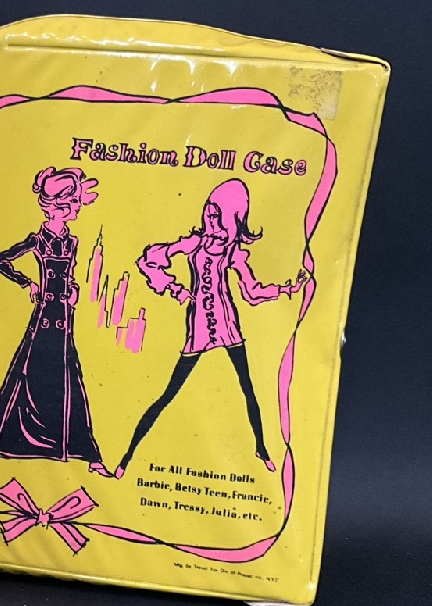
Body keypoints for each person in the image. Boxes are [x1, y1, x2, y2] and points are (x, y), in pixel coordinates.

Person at [113, 178, 307, 479]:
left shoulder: (232, 252)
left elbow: (252, 291)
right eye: (209, 211)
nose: (211, 219)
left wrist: (285, 289)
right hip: (200, 328)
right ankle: (127, 457)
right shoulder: (194, 243)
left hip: (228, 325)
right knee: (168, 394)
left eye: (218, 215)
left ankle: (262, 449)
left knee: (247, 388)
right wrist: (175, 289)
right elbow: (148, 261)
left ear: (233, 218)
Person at [0, 166, 109, 477]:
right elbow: (0, 260)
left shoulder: (72, 242)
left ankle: (87, 454)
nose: (77, 208)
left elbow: (68, 277)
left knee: (70, 381)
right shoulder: (38, 240)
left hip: (65, 318)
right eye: (73, 203)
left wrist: (74, 290)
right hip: (45, 317)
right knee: (25, 374)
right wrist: (27, 283)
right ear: (59, 205)